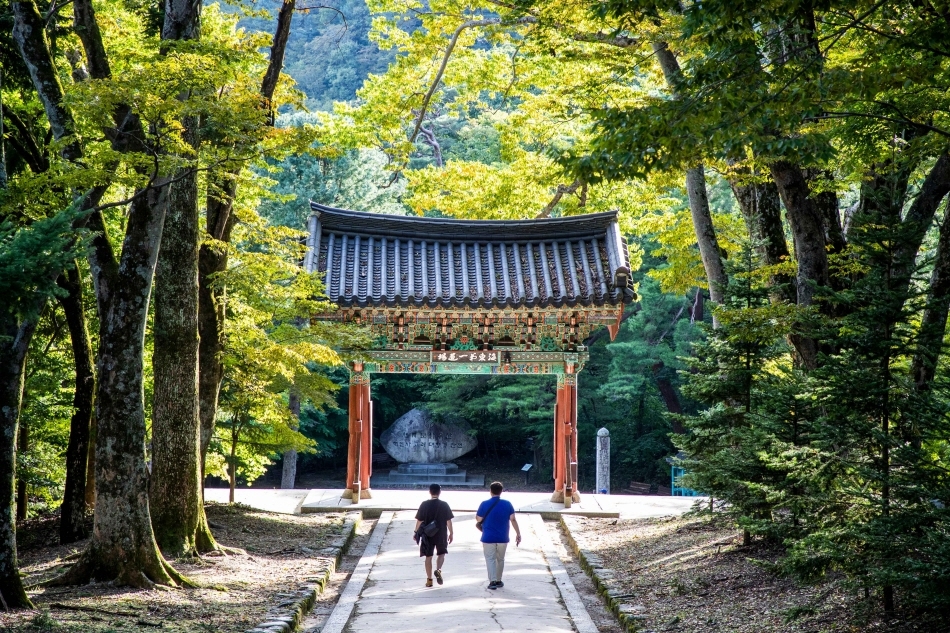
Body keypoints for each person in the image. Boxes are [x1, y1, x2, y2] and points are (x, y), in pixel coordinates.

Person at [475, 481, 521, 590]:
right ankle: (499, 580)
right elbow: (513, 519)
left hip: (488, 537)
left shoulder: (484, 504)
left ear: (490, 491)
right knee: (500, 559)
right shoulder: (507, 504)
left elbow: (478, 519)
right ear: (501, 491)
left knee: (490, 558)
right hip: (503, 537)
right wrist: (518, 533)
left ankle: (492, 581)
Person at [414, 483, 454, 588]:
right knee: (441, 554)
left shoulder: (424, 504)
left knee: (428, 557)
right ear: (439, 492)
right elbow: (448, 521)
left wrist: (415, 532)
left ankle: (429, 580)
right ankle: (438, 570)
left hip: (427, 535)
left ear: (430, 492)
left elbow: (419, 520)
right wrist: (451, 533)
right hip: (441, 533)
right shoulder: (444, 504)